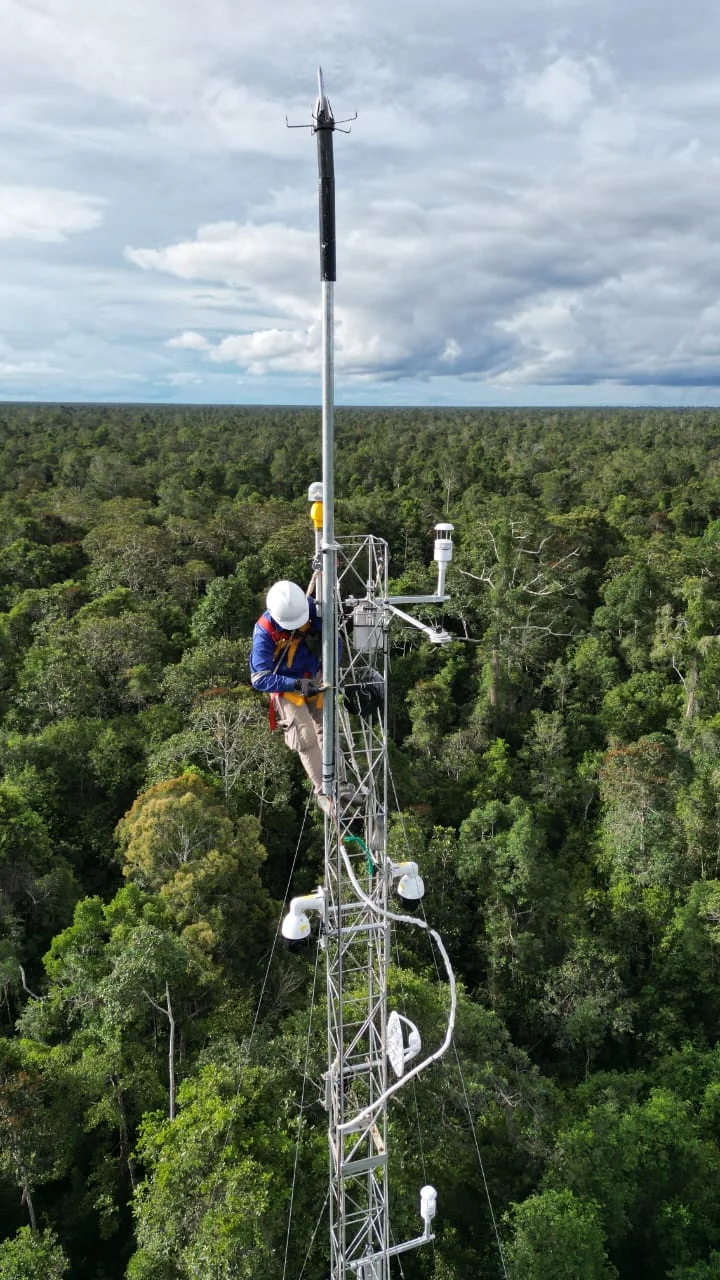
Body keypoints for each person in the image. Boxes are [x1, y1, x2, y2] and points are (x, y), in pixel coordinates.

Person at [249, 580, 329, 811]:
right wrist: (295, 684)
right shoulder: (264, 631)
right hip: (287, 686)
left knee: (327, 728)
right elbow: (259, 678)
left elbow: (336, 642)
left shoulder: (310, 608)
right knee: (305, 737)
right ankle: (323, 790)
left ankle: (338, 782)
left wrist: (326, 651)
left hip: (314, 674)